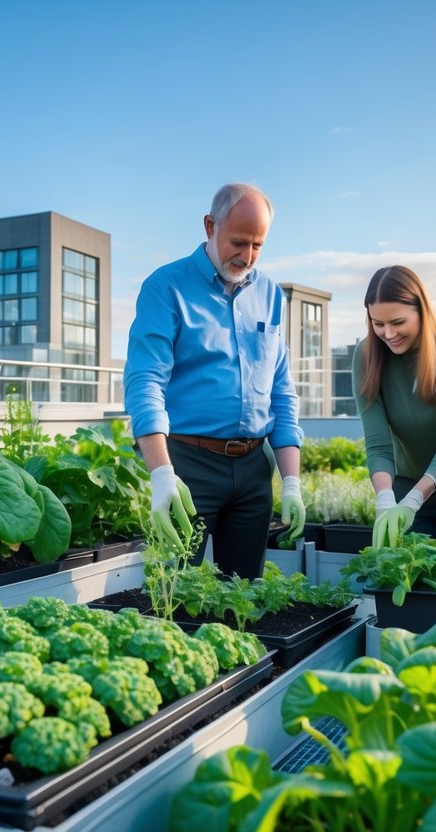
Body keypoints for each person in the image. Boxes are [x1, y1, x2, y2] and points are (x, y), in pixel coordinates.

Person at [124, 183, 305, 578]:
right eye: (238, 242)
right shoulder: (166, 287)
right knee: (172, 592)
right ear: (210, 226)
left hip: (254, 468)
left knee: (244, 597)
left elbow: (281, 390)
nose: (247, 256)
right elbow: (145, 382)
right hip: (188, 464)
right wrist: (161, 473)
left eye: (258, 246)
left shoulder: (271, 294)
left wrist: (290, 482)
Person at [353, 265, 436, 550]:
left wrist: (415, 500)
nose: (388, 334)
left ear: (422, 310)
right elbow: (378, 445)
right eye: (378, 323)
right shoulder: (366, 355)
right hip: (403, 489)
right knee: (406, 584)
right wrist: (386, 500)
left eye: (398, 322)